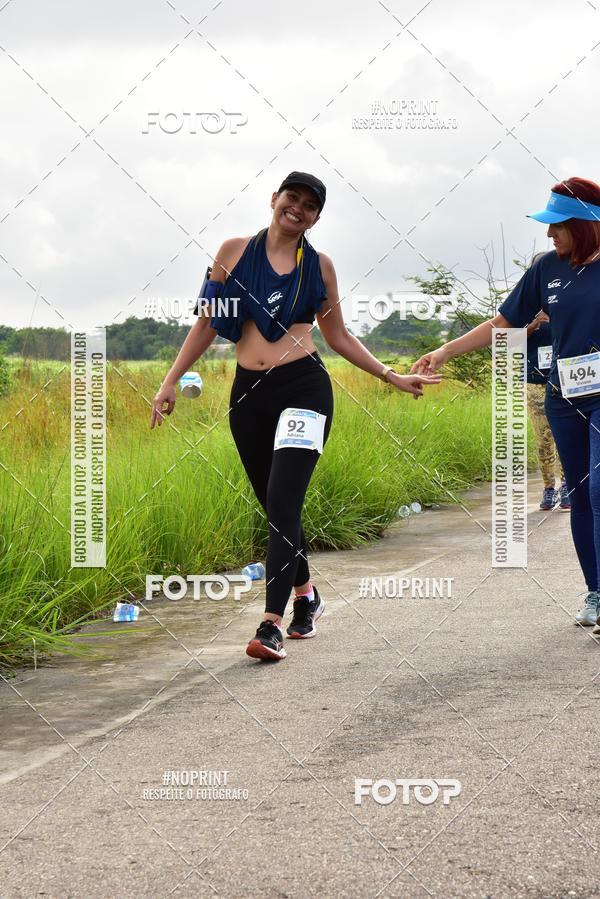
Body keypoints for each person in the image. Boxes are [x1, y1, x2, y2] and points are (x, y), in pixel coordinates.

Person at [150, 171, 441, 661]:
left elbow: (340, 337)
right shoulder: (233, 252)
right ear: (274, 199)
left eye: (310, 205)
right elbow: (206, 322)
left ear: (316, 217)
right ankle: (307, 596)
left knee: (284, 501)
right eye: (293, 198)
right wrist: (170, 379)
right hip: (248, 395)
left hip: (304, 388)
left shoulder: (320, 267)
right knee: (274, 505)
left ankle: (270, 624)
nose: (298, 208)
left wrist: (392, 376)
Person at [412, 176, 600, 627]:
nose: (549, 233)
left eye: (558, 225)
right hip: (565, 397)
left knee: (599, 488)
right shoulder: (545, 268)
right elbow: (504, 322)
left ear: (586, 223)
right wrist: (443, 351)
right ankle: (595, 592)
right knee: (582, 495)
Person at [525, 310, 569, 511]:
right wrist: (533, 325)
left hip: (566, 380)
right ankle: (548, 487)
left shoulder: (565, 301)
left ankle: (567, 487)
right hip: (536, 382)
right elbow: (507, 340)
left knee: (566, 436)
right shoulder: (524, 307)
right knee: (543, 438)